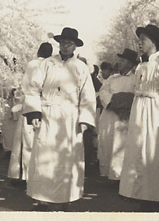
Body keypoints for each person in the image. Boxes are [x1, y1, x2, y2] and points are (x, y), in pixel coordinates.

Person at [21, 27, 96, 210]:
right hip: (48, 115)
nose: (65, 46)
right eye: (63, 43)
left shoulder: (80, 67)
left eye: (69, 43)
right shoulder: (47, 64)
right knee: (45, 158)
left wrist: (85, 119)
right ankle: (42, 199)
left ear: (75, 46)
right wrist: (34, 112)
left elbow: (88, 95)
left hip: (69, 118)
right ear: (59, 44)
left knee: (65, 160)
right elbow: (32, 87)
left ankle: (64, 199)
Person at [119, 25, 159, 212]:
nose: (140, 43)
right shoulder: (140, 66)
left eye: (144, 40)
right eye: (139, 40)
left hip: (157, 117)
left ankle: (158, 201)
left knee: (156, 157)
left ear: (154, 42)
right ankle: (142, 199)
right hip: (139, 116)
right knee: (140, 155)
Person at [8, 42, 53, 184]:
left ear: (38, 52)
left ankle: (24, 175)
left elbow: (26, 86)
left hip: (30, 105)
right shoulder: (52, 65)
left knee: (26, 141)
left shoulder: (32, 64)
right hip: (46, 107)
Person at [97, 48, 138, 180]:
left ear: (131, 64)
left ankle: (123, 176)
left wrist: (124, 104)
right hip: (110, 116)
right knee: (109, 143)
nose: (119, 62)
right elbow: (103, 92)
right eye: (119, 60)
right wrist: (114, 102)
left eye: (123, 60)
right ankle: (109, 174)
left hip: (125, 117)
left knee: (123, 145)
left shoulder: (136, 78)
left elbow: (136, 95)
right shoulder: (112, 78)